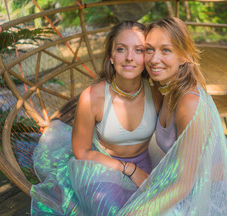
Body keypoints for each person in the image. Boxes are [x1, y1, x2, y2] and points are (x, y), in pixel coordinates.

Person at [117, 17, 227, 215]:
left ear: (184, 57)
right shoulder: (163, 88)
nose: (154, 59)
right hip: (179, 177)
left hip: (202, 189)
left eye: (166, 50)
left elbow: (184, 183)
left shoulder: (188, 104)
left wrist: (138, 213)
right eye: (149, 49)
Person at [31, 21, 161, 215]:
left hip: (147, 163)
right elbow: (82, 152)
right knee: (113, 210)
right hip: (102, 167)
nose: (129, 58)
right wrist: (130, 170)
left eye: (139, 50)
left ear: (147, 56)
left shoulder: (158, 94)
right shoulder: (92, 97)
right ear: (111, 56)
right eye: (121, 49)